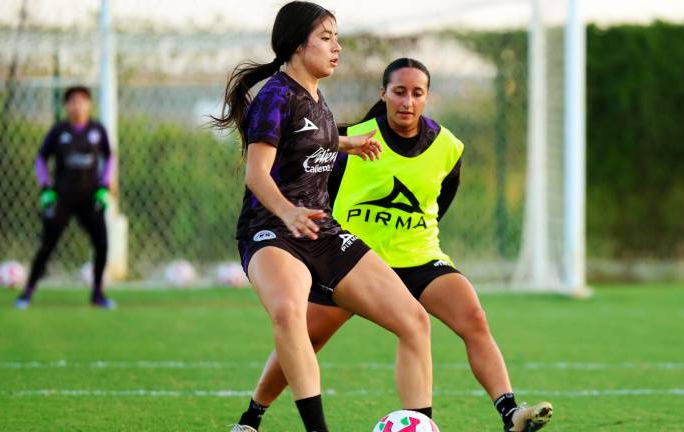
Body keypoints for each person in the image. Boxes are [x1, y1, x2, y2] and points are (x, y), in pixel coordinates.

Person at [233, 58, 554, 432]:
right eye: (399, 91)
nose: (407, 101)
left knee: (473, 319)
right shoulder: (349, 137)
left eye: (417, 93)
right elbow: (316, 191)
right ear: (383, 93)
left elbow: (440, 202)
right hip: (352, 260)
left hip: (419, 258)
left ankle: (509, 413)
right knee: (306, 334)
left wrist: (412, 237)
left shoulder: (448, 147)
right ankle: (252, 417)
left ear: (427, 97)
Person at [212, 4, 433, 432]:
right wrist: (288, 211)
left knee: (413, 320)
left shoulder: (315, 93)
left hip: (321, 230)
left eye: (336, 37)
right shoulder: (275, 96)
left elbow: (313, 142)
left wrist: (348, 144)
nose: (338, 47)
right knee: (289, 313)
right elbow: (257, 175)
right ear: (297, 45)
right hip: (271, 229)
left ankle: (420, 426)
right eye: (327, 37)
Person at [15, 86, 114, 310]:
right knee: (47, 245)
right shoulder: (59, 131)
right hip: (63, 197)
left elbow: (109, 158)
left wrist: (104, 186)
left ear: (89, 105)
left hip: (90, 198)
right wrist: (45, 188)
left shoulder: (97, 130)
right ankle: (27, 292)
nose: (77, 105)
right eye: (73, 101)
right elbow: (41, 159)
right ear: (66, 106)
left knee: (102, 244)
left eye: (82, 101)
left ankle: (97, 294)